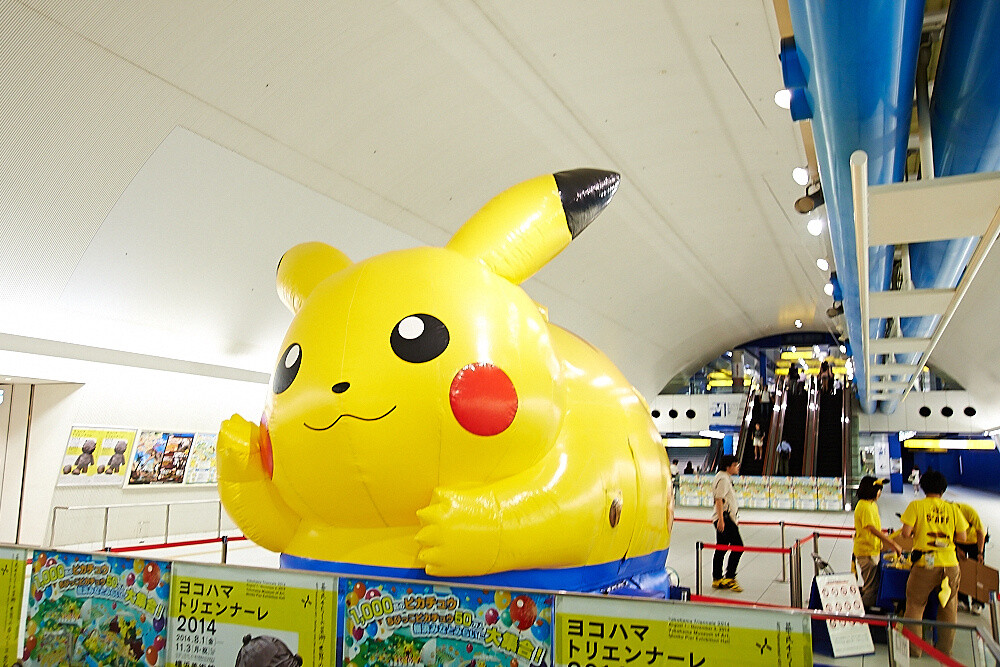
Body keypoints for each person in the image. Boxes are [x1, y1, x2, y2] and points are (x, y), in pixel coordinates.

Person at [900, 470, 968, 658]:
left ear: (923, 487)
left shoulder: (916, 506)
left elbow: (905, 533)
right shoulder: (953, 508)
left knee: (915, 605)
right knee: (949, 607)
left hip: (925, 563)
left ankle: (915, 650)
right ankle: (944, 650)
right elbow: (962, 537)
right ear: (943, 489)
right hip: (950, 563)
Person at [853, 476, 902, 609]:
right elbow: (872, 529)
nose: (880, 493)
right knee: (871, 589)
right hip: (867, 552)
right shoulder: (865, 506)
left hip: (873, 549)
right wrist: (893, 544)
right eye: (878, 490)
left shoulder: (871, 505)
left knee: (874, 585)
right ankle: (862, 613)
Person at [711, 454, 743, 592]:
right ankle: (730, 577)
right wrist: (721, 520)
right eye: (735, 465)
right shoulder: (723, 479)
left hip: (724, 518)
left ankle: (717, 578)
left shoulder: (723, 477)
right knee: (738, 546)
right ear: (728, 466)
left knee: (722, 548)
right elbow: (719, 499)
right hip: (724, 518)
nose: (737, 467)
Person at [953, 501, 987, 612]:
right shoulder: (948, 514)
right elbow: (947, 534)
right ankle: (963, 601)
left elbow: (980, 532)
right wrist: (958, 549)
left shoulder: (968, 511)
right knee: (960, 570)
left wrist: (980, 553)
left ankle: (978, 603)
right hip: (959, 542)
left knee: (978, 571)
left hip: (975, 541)